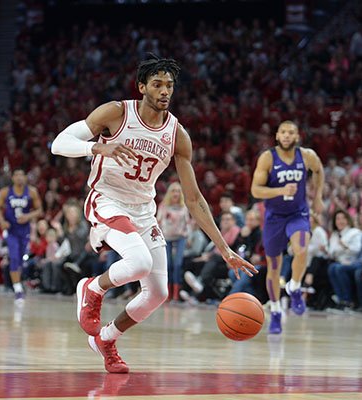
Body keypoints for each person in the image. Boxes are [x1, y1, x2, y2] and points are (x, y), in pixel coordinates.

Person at [51, 55, 257, 373]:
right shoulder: (116, 112)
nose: (164, 91)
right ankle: (92, 288)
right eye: (158, 84)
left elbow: (194, 199)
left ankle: (106, 340)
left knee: (158, 293)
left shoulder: (177, 135)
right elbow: (59, 143)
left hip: (144, 212)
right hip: (106, 201)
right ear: (142, 86)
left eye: (169, 86)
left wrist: (223, 248)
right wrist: (95, 148)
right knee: (139, 263)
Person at [250, 120, 324, 335]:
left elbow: (319, 171)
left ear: (297, 136)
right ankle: (274, 311)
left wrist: (317, 196)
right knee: (273, 267)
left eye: (291, 132)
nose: (286, 135)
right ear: (277, 136)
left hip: (298, 213)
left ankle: (294, 286)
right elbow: (256, 190)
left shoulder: (307, 156)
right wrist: (280, 190)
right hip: (274, 217)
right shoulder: (267, 158)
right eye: (283, 132)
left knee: (302, 249)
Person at [0, 168, 43, 302]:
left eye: (22, 174)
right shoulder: (6, 191)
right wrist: (2, 221)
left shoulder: (32, 191)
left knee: (21, 259)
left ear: (25, 177)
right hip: (11, 230)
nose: (19, 177)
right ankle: (17, 289)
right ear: (13, 178)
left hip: (24, 230)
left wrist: (28, 216)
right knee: (14, 257)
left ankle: (18, 284)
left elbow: (40, 210)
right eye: (17, 175)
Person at [156, 182, 190, 301]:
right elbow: (158, 222)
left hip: (180, 237)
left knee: (177, 264)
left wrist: (188, 237)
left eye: (178, 191)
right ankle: (167, 293)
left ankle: (176, 294)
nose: (176, 193)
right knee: (168, 265)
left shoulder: (184, 206)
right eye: (173, 191)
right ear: (169, 193)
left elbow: (187, 223)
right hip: (166, 238)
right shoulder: (163, 206)